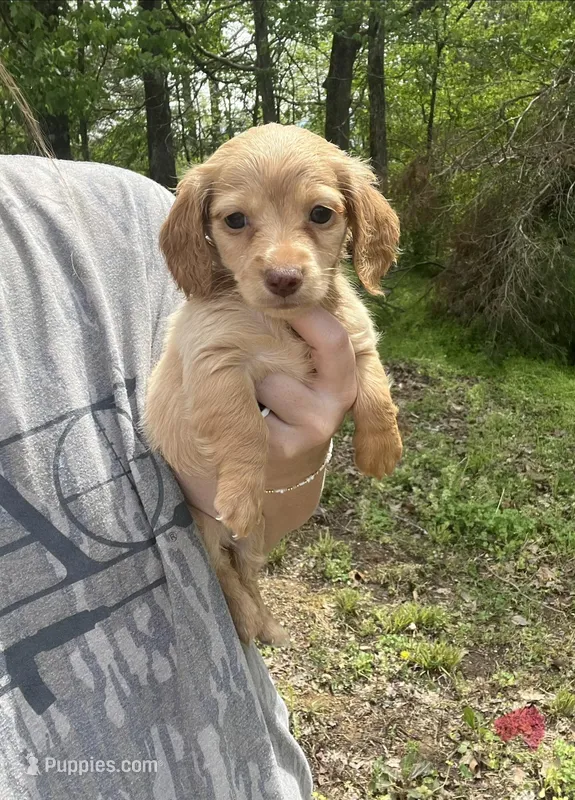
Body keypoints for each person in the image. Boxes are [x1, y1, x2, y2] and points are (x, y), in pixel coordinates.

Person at [0, 154, 357, 799]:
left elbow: (247, 508)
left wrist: (286, 464)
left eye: (321, 214)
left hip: (237, 765)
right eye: (238, 222)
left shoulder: (114, 213)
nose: (276, 253)